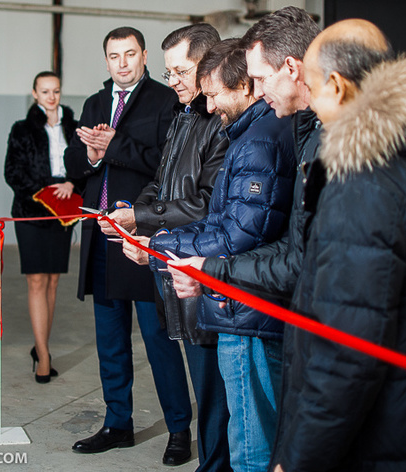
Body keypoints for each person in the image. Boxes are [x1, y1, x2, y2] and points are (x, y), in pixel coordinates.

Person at [269, 19, 406, 471]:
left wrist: (296, 460)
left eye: (312, 87)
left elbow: (346, 355)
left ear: (337, 86)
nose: (307, 101)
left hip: (389, 439)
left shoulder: (365, 182)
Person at [151, 38, 296, 471]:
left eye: (214, 94)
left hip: (247, 311)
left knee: (251, 443)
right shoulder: (251, 135)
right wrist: (164, 242)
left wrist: (159, 246)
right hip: (240, 300)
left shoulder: (258, 142)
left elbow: (238, 237)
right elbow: (223, 221)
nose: (209, 105)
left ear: (246, 86)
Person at [63, 27, 192, 465]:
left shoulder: (165, 100)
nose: (122, 63)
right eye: (114, 56)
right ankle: (117, 423)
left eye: (130, 54)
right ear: (106, 61)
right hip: (100, 236)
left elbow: (166, 163)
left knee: (158, 338)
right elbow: (74, 163)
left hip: (142, 236)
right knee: (110, 341)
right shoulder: (95, 103)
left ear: (144, 56)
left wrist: (114, 145)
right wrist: (93, 155)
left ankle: (179, 429)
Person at [109, 24, 232, 472]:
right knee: (203, 384)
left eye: (181, 71)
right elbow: (160, 182)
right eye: (169, 73)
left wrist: (145, 220)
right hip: (174, 265)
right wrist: (133, 212)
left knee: (216, 393)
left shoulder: (221, 123)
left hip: (203, 271)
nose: (174, 81)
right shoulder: (183, 116)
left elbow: (206, 203)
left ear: (209, 65)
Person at [167, 7, 321, 307]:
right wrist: (220, 273)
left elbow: (296, 260)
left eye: (261, 78)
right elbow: (294, 246)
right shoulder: (305, 129)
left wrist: (218, 272)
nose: (257, 91)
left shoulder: (281, 138)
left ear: (291, 67)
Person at [4, 71, 77, 384]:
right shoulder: (21, 129)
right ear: (34, 94)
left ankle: (40, 345)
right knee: (36, 280)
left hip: (63, 212)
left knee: (53, 282)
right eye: (44, 91)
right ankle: (44, 355)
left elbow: (85, 165)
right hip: (31, 211)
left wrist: (72, 183)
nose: (51, 97)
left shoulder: (74, 127)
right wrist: (47, 191)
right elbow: (12, 172)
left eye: (55, 91)